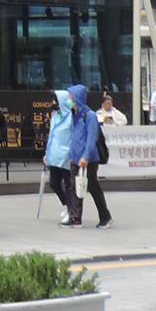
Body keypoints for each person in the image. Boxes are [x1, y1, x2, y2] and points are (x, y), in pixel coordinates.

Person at [70, 84, 111, 229]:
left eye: (71, 98)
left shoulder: (90, 115)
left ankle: (105, 216)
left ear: (77, 98)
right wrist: (71, 155)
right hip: (76, 158)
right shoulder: (74, 115)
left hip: (88, 159)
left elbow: (91, 138)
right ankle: (75, 218)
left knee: (93, 187)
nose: (69, 101)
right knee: (75, 187)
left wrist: (86, 157)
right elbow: (73, 137)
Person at [45, 88, 78, 226]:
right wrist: (47, 154)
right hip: (54, 156)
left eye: (55, 100)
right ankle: (66, 205)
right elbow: (51, 136)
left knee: (69, 186)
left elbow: (73, 138)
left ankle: (72, 212)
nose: (52, 103)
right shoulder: (55, 116)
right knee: (54, 183)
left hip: (66, 157)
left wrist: (72, 154)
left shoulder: (71, 119)